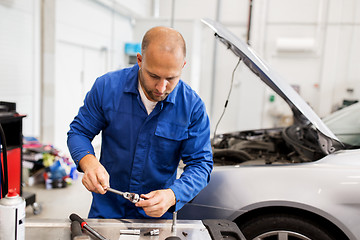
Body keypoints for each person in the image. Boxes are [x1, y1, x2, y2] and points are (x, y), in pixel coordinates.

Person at [67, 26, 213, 219]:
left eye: (171, 78)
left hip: (158, 217)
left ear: (183, 66)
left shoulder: (192, 107)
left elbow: (201, 163)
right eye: (153, 76)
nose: (161, 88)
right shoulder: (107, 88)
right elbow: (79, 132)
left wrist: (173, 195)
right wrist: (89, 163)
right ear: (139, 60)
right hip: (107, 210)